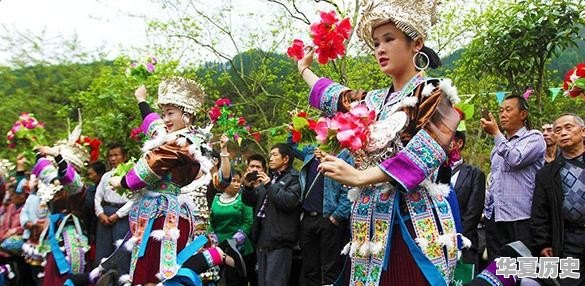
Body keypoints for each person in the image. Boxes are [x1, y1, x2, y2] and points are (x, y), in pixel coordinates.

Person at [295, 0, 462, 284]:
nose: (380, 49)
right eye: (375, 43)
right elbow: (334, 95)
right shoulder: (371, 101)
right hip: (368, 226)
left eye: (389, 39)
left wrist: (361, 177)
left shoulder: (434, 92)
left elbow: (425, 154)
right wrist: (303, 69)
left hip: (414, 222)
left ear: (416, 44)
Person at [107, 78, 244, 286]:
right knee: (150, 268)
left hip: (167, 215)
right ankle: (217, 255)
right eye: (164, 114)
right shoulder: (171, 137)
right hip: (154, 212)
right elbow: (153, 126)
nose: (166, 119)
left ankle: (218, 255)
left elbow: (153, 164)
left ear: (187, 116)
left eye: (171, 113)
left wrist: (124, 181)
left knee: (164, 272)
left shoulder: (185, 142)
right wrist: (141, 100)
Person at [481, 94, 545, 261]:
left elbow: (516, 159)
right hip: (495, 216)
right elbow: (494, 180)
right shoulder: (498, 146)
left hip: (520, 217)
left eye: (508, 110)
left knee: (523, 269)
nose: (503, 114)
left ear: (523, 114)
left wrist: (495, 133)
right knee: (498, 271)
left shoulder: (534, 137)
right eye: (501, 110)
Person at [288, 137, 353, 286]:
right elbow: (291, 147)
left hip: (329, 218)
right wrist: (295, 130)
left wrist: (337, 216)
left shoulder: (344, 155)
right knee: (310, 268)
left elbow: (348, 187)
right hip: (308, 218)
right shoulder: (311, 152)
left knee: (330, 267)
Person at [531, 113, 585, 286]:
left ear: (583, 132)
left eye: (568, 128)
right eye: (558, 130)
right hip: (567, 239)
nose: (562, 133)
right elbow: (540, 212)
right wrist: (543, 243)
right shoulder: (546, 174)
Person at [241, 143, 302, 286]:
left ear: (285, 159)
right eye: (270, 155)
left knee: (274, 282)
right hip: (262, 237)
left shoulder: (295, 178)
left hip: (280, 239)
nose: (270, 158)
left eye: (274, 155)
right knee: (262, 282)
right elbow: (252, 201)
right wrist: (248, 187)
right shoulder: (270, 178)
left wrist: (269, 185)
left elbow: (289, 201)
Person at [208, 170, 254, 286]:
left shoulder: (244, 198)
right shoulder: (216, 199)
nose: (237, 184)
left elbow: (248, 221)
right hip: (218, 247)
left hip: (239, 248)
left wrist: (234, 241)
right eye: (233, 181)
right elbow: (211, 222)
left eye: (239, 181)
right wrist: (213, 241)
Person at [94, 144, 132, 276]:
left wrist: (118, 214)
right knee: (103, 249)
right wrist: (100, 213)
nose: (113, 158)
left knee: (121, 250)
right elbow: (98, 197)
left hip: (122, 215)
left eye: (116, 155)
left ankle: (122, 279)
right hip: (106, 213)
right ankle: (102, 279)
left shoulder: (130, 175)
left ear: (124, 156)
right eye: (111, 156)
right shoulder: (106, 176)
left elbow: (134, 199)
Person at [450, 131, 486, 270]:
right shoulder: (433, 170)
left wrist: (457, 237)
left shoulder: (474, 174)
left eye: (450, 139)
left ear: (459, 143)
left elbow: (473, 212)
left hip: (464, 242)